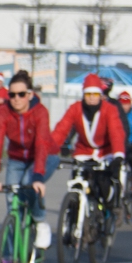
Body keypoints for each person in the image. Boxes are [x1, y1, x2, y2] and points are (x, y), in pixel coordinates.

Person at [0, 70, 53, 247]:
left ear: (30, 95)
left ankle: (40, 222)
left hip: (44, 157)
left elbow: (41, 144)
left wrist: (38, 176)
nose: (16, 99)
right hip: (16, 159)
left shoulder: (40, 112)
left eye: (21, 94)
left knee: (29, 185)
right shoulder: (4, 112)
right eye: (12, 95)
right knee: (12, 204)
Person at [51, 74, 126, 215]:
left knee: (104, 184)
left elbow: (116, 133)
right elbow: (62, 129)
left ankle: (108, 211)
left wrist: (118, 155)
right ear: (83, 94)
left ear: (101, 95)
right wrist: (50, 150)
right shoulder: (75, 108)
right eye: (88, 94)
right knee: (76, 181)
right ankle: (72, 215)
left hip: (105, 153)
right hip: (83, 151)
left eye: (95, 94)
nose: (92, 97)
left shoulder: (109, 110)